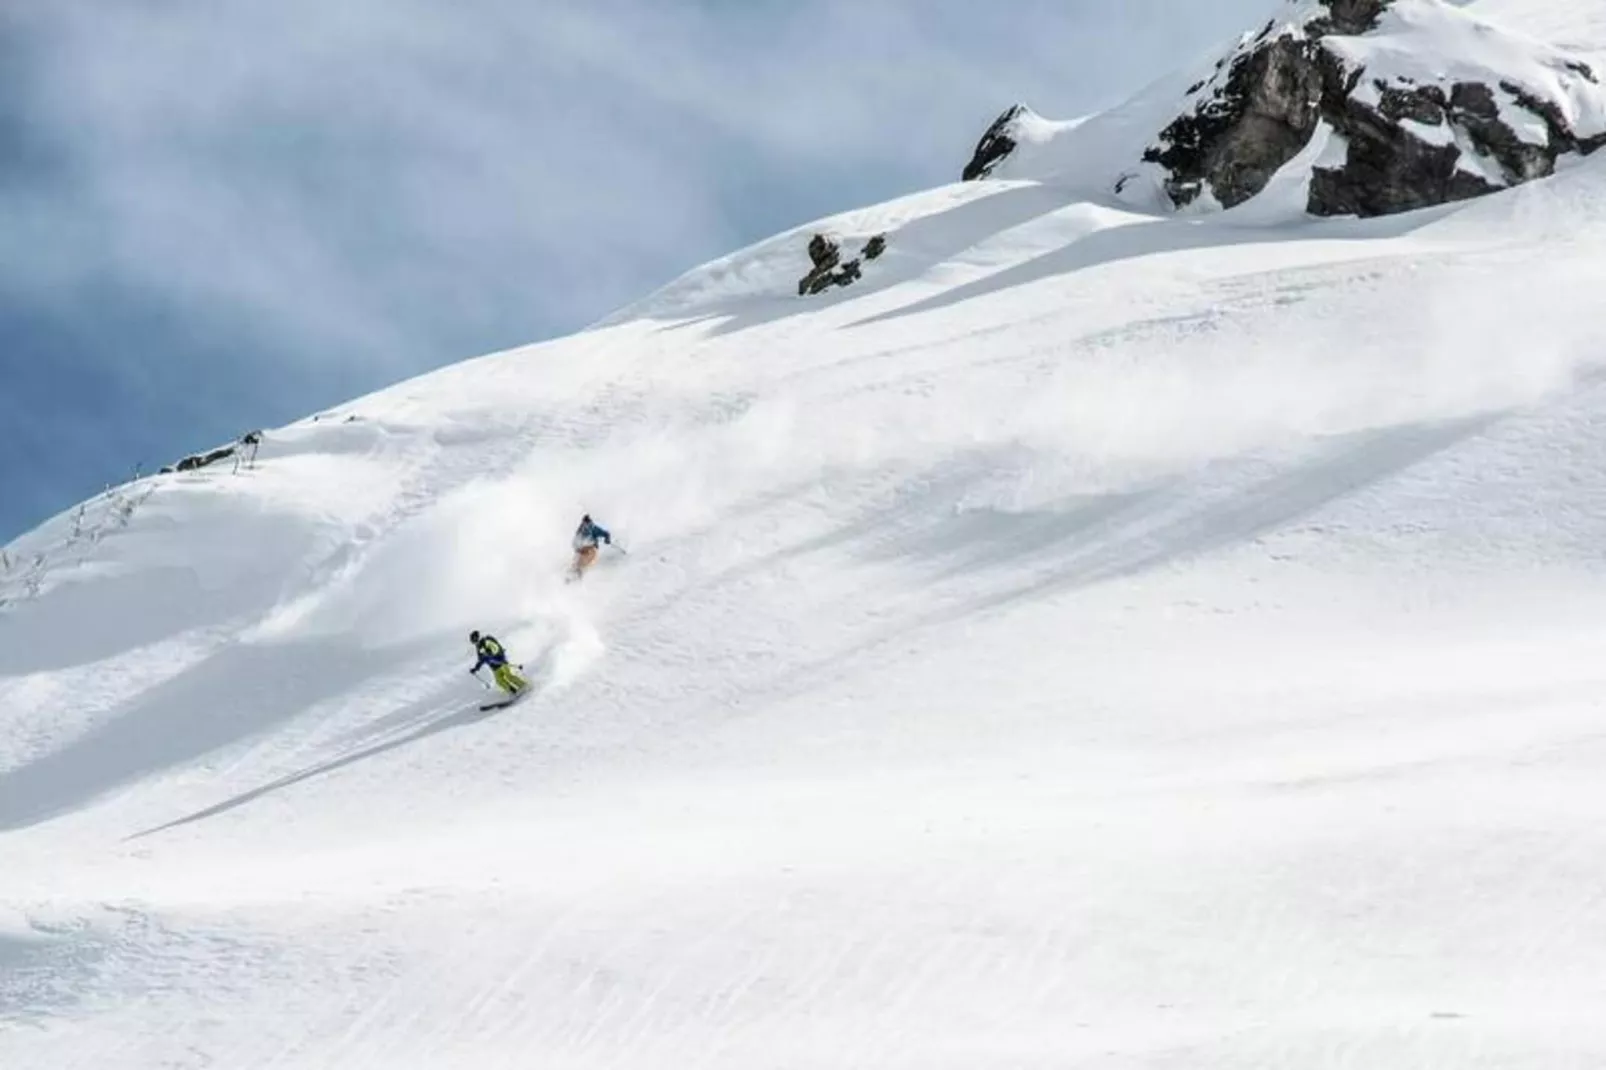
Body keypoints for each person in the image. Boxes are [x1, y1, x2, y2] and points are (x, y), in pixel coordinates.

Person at [469, 630, 528, 695]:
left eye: (475, 640)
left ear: (478, 638)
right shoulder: (478, 647)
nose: (475, 643)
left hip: (500, 661)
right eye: (473, 642)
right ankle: (513, 691)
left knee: (509, 676)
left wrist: (490, 653)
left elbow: (495, 648)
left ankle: (523, 686)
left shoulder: (486, 641)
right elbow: (481, 659)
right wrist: (476, 668)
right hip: (494, 666)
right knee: (499, 681)